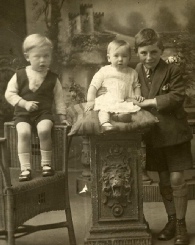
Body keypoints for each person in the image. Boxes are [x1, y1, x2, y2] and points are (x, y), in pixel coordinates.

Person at [133, 28, 193, 245]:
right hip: (154, 134)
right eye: (143, 53)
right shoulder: (136, 70)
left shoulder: (172, 70)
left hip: (175, 133)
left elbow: (177, 96)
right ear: (137, 53)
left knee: (177, 179)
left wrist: (149, 102)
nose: (149, 58)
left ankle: (181, 225)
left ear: (161, 51)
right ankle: (171, 220)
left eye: (154, 52)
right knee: (164, 180)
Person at [5, 34, 70, 182]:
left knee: (45, 129)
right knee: (23, 133)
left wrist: (62, 116)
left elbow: (59, 99)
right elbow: (9, 94)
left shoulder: (53, 78)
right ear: (28, 57)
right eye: (37, 57)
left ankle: (46, 164)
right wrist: (23, 103)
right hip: (23, 113)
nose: (42, 60)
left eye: (46, 56)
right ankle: (25, 168)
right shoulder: (20, 75)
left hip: (43, 113)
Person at [85, 39, 144, 131]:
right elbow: (93, 86)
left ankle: (119, 117)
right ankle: (105, 123)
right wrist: (91, 100)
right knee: (104, 110)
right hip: (108, 99)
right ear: (109, 58)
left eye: (124, 56)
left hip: (124, 100)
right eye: (116, 56)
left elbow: (136, 86)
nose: (120, 59)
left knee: (127, 111)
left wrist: (138, 95)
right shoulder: (104, 71)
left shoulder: (132, 72)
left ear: (129, 58)